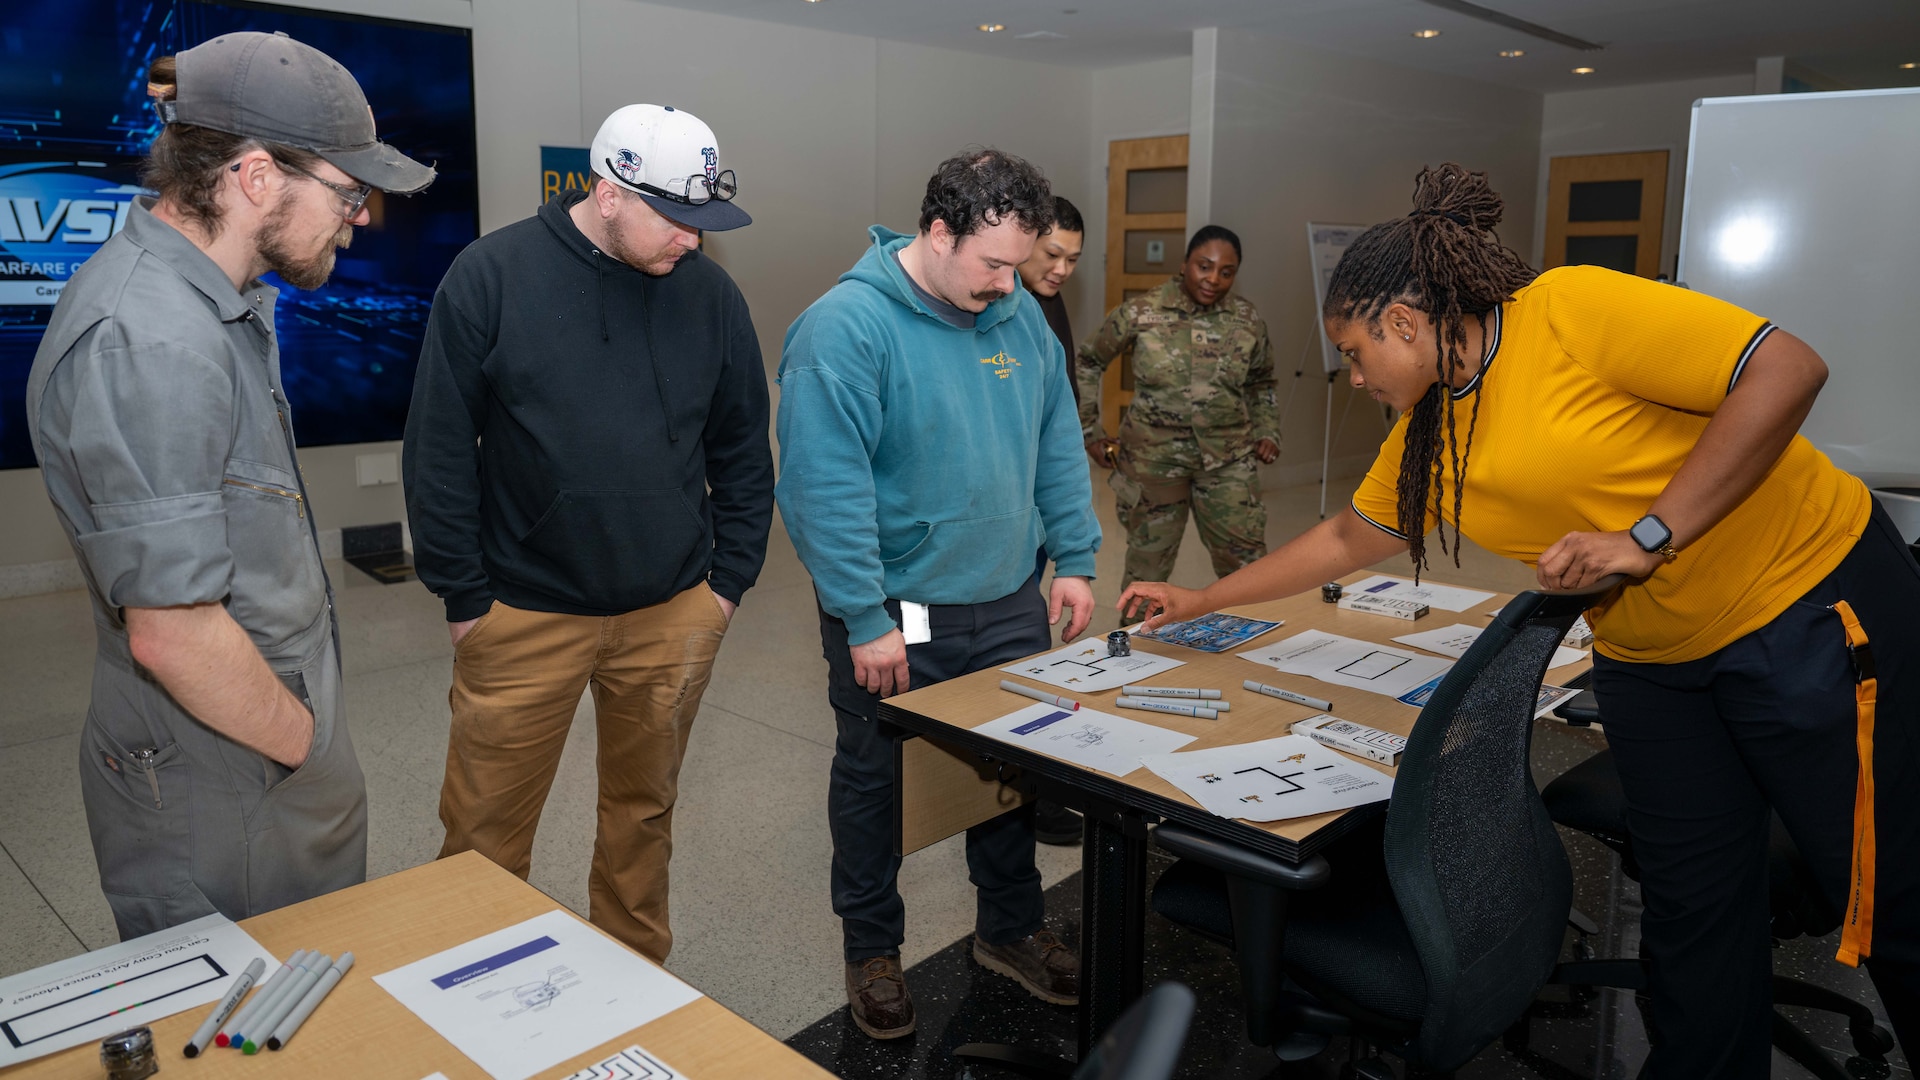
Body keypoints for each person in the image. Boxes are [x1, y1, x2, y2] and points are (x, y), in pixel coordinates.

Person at [1118, 163, 1920, 1079]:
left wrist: (1648, 532)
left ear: (1407, 325)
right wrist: (1202, 599)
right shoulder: (1430, 421)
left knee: (1889, 891)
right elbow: (1350, 533)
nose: (1352, 373)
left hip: (1806, 610)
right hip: (1655, 659)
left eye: (1356, 350)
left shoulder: (1567, 309)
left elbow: (1785, 367)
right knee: (1695, 912)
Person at [27, 33, 435, 938]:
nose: (359, 218)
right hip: (229, 775)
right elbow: (174, 634)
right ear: (255, 178)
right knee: (246, 1039)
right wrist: (311, 755)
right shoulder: (154, 340)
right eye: (347, 192)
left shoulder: (222, 303)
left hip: (246, 747)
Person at [402, 104, 772, 964]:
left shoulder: (711, 294)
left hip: (675, 609)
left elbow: (743, 444)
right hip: (522, 613)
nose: (693, 240)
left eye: (706, 222)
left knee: (643, 822)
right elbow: (441, 447)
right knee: (484, 838)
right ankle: (473, 1000)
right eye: (677, 218)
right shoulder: (490, 275)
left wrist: (728, 583)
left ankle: (632, 985)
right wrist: (466, 598)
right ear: (608, 192)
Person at [777, 148, 1100, 1039]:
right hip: (894, 611)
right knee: (876, 781)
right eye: (993, 264)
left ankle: (1011, 928)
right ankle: (874, 949)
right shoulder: (844, 329)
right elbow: (821, 486)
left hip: (1006, 596)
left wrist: (1072, 554)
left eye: (1021, 266)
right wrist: (863, 616)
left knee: (1011, 772)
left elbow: (1057, 438)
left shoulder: (1021, 320)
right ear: (937, 231)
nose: (1009, 285)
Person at [1076, 225, 1278, 588]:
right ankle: (1136, 643)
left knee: (1247, 568)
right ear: (1185, 264)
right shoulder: (1142, 311)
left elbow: (1262, 380)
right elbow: (1089, 360)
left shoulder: (1247, 320)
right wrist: (1090, 431)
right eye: (1204, 266)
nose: (1213, 279)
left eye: (1226, 272)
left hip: (1227, 462)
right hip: (1153, 463)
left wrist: (1267, 430)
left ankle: (1251, 641)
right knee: (1147, 573)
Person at [1017, 194, 1088, 847]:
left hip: (1037, 511)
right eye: (1053, 254)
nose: (1063, 268)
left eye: (1073, 259)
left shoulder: (1047, 301)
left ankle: (1033, 796)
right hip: (1001, 515)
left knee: (1030, 651)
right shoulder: (1004, 301)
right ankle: (1021, 802)